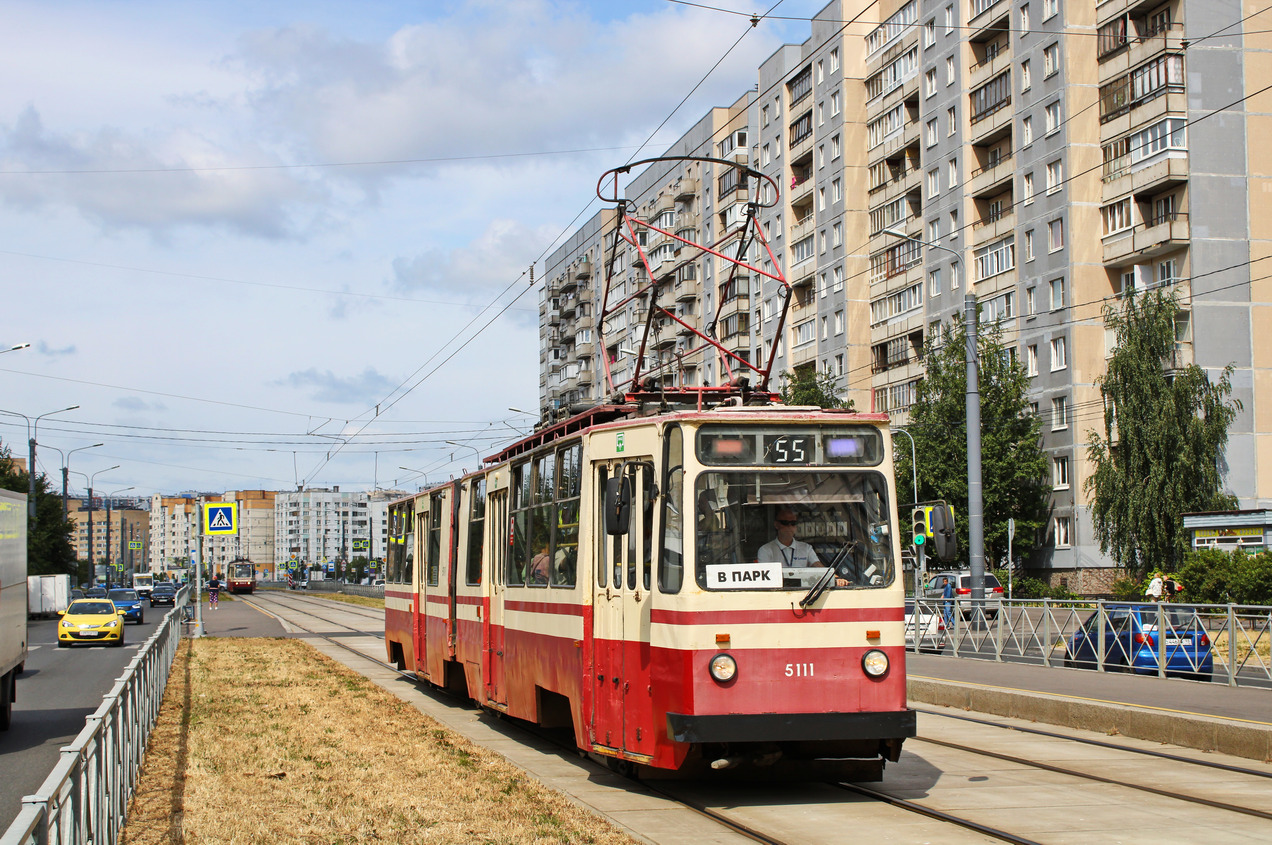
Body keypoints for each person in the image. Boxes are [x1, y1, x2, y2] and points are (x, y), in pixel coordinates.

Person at [757, 508, 848, 587]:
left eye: (793, 523)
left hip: (803, 592)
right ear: (776, 525)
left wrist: (836, 579)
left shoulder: (806, 548)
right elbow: (764, 577)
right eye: (785, 523)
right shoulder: (765, 550)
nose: (789, 527)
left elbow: (819, 568)